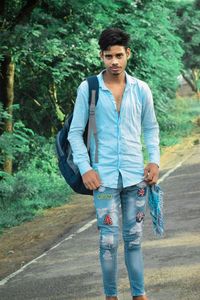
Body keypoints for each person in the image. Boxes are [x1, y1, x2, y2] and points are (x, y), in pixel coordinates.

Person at [68, 27, 160, 300]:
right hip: (104, 178)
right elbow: (75, 132)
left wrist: (154, 161)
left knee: (133, 240)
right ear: (101, 56)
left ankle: (139, 295)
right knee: (108, 241)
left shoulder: (141, 89)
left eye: (119, 55)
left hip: (136, 177)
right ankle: (111, 296)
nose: (114, 62)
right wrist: (86, 169)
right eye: (108, 56)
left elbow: (151, 128)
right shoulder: (89, 88)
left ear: (128, 54)